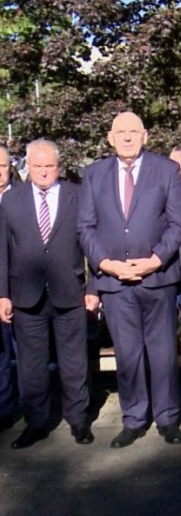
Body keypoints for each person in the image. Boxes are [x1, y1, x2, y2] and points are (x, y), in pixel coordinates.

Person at [78, 112, 181, 448]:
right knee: (127, 355)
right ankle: (134, 419)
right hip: (115, 283)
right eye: (120, 132)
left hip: (158, 278)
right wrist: (107, 264)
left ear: (145, 136)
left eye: (133, 132)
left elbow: (177, 224)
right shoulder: (93, 174)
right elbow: (85, 228)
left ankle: (167, 418)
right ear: (110, 138)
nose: (127, 137)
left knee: (163, 353)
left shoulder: (166, 170)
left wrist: (155, 260)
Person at [0, 139, 98, 449]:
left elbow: (91, 244)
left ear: (59, 166)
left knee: (74, 363)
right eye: (37, 166)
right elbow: (2, 250)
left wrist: (94, 288)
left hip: (70, 293)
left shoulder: (77, 195)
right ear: (27, 167)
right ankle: (36, 423)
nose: (43, 172)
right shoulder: (10, 200)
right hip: (25, 296)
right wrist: (2, 294)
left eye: (50, 166)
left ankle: (78, 420)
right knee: (31, 366)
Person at [0, 145, 19, 429]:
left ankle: (30, 410)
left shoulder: (22, 198)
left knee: (24, 355)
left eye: (2, 166)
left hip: (21, 289)